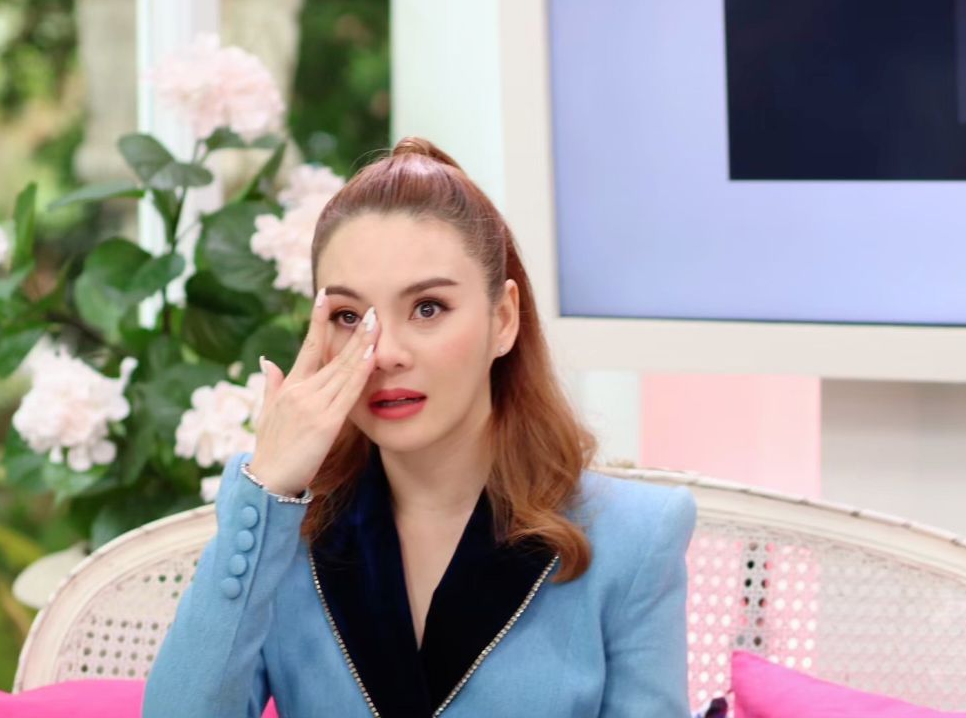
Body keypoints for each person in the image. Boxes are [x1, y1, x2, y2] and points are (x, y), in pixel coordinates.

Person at [142, 137, 697, 717]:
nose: (385, 354)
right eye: (349, 316)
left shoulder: (634, 537)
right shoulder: (279, 531)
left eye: (428, 308)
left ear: (503, 319)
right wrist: (269, 491)